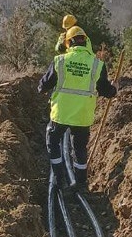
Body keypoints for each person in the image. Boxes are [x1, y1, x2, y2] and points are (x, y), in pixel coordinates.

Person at [38, 25, 117, 189]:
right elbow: (106, 91)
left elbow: (43, 85)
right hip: (83, 115)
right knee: (80, 148)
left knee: (53, 142)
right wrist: (113, 89)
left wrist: (42, 89)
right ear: (85, 41)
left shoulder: (60, 61)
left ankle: (59, 180)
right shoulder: (97, 64)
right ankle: (81, 184)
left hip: (61, 114)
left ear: (68, 42)